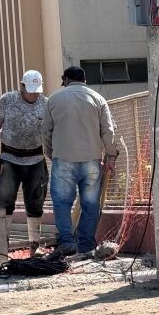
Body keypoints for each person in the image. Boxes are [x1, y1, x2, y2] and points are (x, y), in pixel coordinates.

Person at [40, 65, 118, 258]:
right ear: (84, 80)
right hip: (92, 160)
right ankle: (86, 244)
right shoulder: (98, 99)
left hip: (63, 159)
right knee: (91, 204)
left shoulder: (54, 100)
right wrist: (110, 156)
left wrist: (51, 153)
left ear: (66, 79)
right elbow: (108, 131)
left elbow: (45, 132)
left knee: (61, 202)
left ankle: (66, 241)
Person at [0, 69, 48, 254]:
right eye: (30, 89)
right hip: (10, 158)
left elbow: (53, 130)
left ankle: (35, 246)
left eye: (37, 90)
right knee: (4, 202)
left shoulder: (46, 103)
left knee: (36, 203)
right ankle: (1, 247)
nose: (33, 94)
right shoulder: (8, 100)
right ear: (21, 86)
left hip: (36, 159)